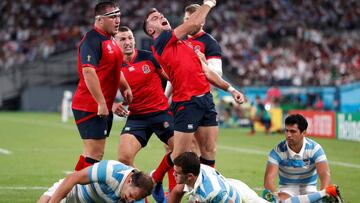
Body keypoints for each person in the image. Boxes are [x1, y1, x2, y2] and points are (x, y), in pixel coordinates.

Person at [142, 0, 245, 193]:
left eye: (162, 15)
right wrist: (208, 4)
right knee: (180, 155)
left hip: (205, 100)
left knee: (209, 151)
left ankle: (206, 191)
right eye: (155, 18)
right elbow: (192, 24)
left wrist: (231, 90)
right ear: (150, 31)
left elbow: (207, 72)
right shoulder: (161, 42)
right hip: (185, 103)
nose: (162, 17)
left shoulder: (186, 44)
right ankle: (156, 178)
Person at [71, 1, 132, 171]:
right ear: (99, 19)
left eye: (118, 16)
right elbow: (89, 72)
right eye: (113, 17)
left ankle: (72, 191)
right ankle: (70, 191)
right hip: (90, 105)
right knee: (94, 154)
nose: (117, 20)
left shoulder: (110, 40)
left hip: (102, 106)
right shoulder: (91, 40)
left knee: (93, 155)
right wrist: (102, 103)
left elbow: (115, 69)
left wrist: (125, 87)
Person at [165, 152, 342, 203]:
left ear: (189, 176)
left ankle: (326, 193)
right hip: (234, 186)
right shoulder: (196, 168)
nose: (173, 175)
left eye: (176, 173)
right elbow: (178, 190)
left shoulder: (211, 193)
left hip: (239, 198)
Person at [113, 26, 174, 167]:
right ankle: (146, 186)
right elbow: (102, 89)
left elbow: (172, 78)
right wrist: (112, 105)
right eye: (122, 39)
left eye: (130, 38)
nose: (127, 42)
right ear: (114, 43)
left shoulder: (148, 57)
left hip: (161, 113)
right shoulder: (112, 65)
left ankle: (159, 180)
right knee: (124, 159)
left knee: (182, 152)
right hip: (137, 117)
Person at [264, 114, 343, 202]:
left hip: (310, 190)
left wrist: (322, 193)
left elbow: (325, 174)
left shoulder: (315, 149)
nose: (288, 135)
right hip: (287, 190)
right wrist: (275, 197)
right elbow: (268, 180)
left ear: (304, 133)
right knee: (279, 201)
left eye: (293, 131)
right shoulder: (277, 151)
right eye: (286, 131)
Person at [37, 160, 153, 203]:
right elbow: (72, 178)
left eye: (136, 199)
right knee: (46, 201)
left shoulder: (138, 196)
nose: (131, 200)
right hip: (76, 193)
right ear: (129, 181)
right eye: (131, 195)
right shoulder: (109, 170)